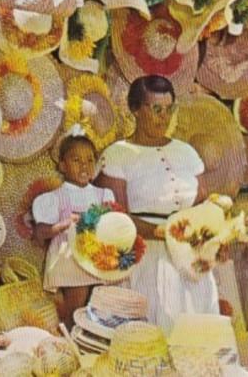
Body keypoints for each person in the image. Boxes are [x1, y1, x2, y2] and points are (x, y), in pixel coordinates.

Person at [94, 75, 219, 333]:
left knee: (197, 338)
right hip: (149, 258)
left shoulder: (187, 153)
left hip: (191, 257)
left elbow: (204, 202)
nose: (163, 117)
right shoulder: (118, 155)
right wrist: (160, 232)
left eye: (168, 109)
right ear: (135, 110)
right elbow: (115, 217)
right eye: (156, 109)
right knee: (158, 332)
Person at [32, 131, 115, 329]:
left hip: (97, 256)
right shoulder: (54, 198)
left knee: (100, 303)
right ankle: (72, 335)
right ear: (62, 165)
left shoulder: (103, 194)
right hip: (70, 257)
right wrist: (63, 224)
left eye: (89, 160)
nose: (84, 166)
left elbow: (113, 224)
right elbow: (40, 232)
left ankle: (92, 339)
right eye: (76, 160)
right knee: (76, 304)